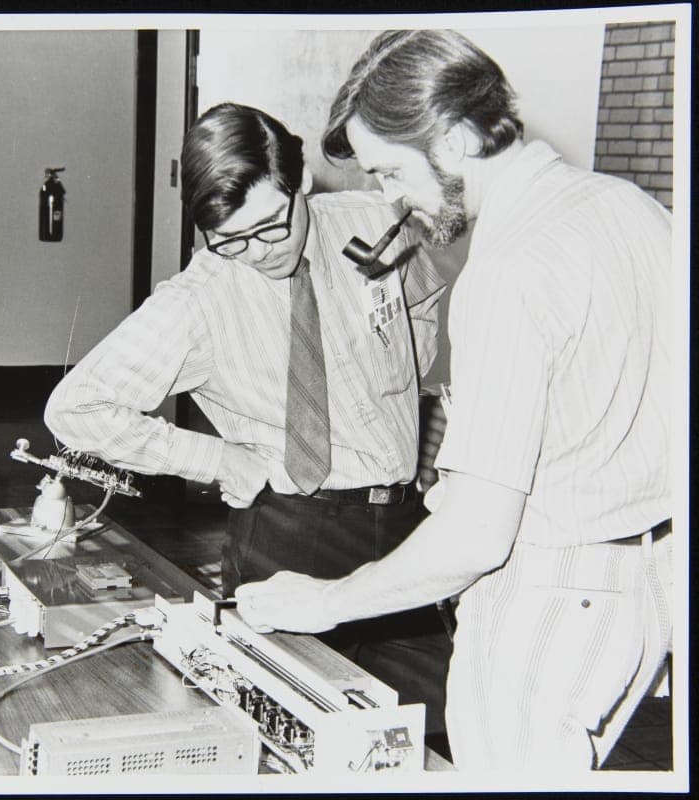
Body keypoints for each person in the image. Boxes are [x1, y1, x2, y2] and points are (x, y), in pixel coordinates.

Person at [234, 30, 674, 773]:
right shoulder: (634, 209)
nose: (388, 198)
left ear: (455, 137)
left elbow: (474, 537)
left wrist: (324, 601)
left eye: (391, 171)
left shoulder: (508, 271)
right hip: (648, 583)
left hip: (551, 598)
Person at [45, 102, 450, 734]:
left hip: (405, 528)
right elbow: (77, 409)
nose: (258, 252)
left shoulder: (376, 222)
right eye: (230, 239)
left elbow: (422, 297)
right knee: (294, 733)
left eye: (271, 226)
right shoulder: (199, 299)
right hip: (292, 533)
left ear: (302, 183)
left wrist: (409, 390)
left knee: (429, 729)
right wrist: (216, 459)